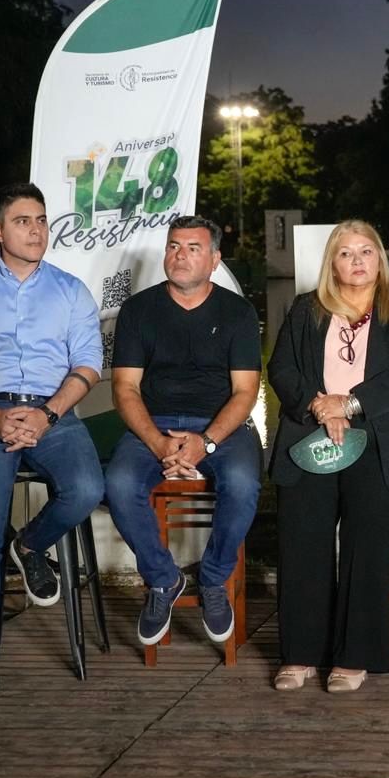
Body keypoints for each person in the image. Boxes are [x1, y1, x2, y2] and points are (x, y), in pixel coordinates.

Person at [0, 182, 105, 709]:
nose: (37, 230)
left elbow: (88, 364)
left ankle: (29, 546)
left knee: (87, 488)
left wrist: (47, 415)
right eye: (23, 221)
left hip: (55, 412)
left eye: (42, 220)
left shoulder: (71, 290)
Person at [266, 220, 389, 692]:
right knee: (303, 536)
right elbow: (281, 368)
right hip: (313, 430)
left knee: (366, 539)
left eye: (366, 251)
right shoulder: (306, 309)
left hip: (383, 442)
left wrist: (351, 403)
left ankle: (354, 657)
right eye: (346, 253)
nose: (357, 260)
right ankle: (301, 653)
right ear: (333, 263)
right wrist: (319, 405)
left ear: (379, 258)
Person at [105, 215, 262, 650]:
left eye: (194, 248)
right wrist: (158, 443)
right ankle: (163, 579)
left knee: (243, 483)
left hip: (222, 427)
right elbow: (125, 388)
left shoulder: (237, 312)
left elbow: (245, 392)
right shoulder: (138, 310)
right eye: (174, 246)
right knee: (118, 483)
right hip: (154, 423)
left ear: (214, 259)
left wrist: (206, 442)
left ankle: (212, 580)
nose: (181, 255)